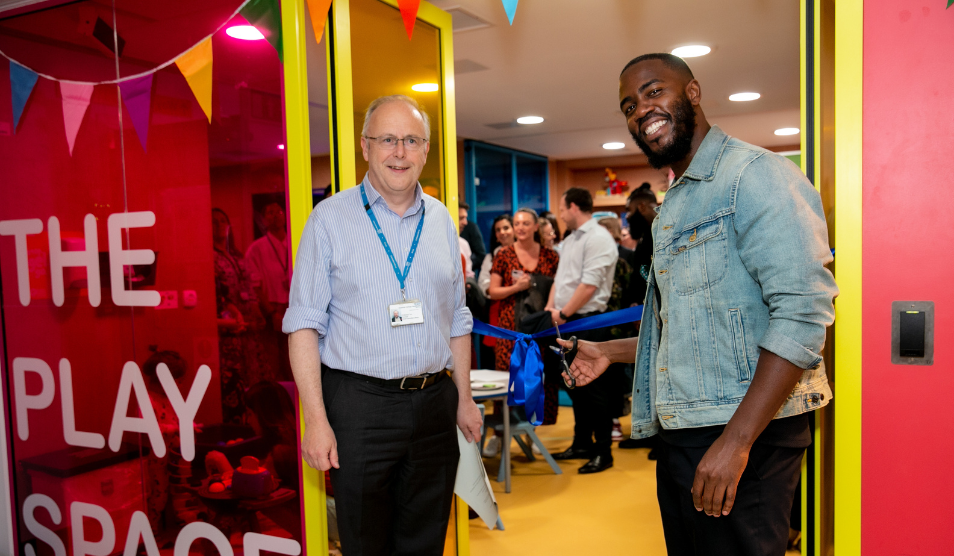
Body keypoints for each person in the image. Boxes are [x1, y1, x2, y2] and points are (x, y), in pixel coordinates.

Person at [563, 53, 837, 555]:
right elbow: (689, 321)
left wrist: (736, 442)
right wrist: (612, 352)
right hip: (687, 428)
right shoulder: (678, 201)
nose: (640, 110)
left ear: (692, 92)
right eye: (628, 105)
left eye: (652, 92)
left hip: (746, 429)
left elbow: (803, 314)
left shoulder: (756, 175)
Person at [283, 94, 482, 556]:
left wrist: (465, 399)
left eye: (411, 140)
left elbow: (456, 318)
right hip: (360, 407)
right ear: (365, 146)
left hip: (435, 402)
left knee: (426, 537)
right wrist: (315, 420)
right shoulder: (328, 220)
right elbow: (303, 326)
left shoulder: (440, 221)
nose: (399, 152)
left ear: (426, 150)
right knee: (366, 540)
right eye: (387, 139)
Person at [545, 187, 619, 474]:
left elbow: (589, 285)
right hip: (566, 321)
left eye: (562, 209)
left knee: (593, 388)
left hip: (588, 321)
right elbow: (561, 280)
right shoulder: (572, 239)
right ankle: (581, 443)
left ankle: (603, 451)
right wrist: (553, 310)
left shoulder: (598, 238)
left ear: (574, 207)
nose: (561, 215)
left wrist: (563, 313)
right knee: (573, 385)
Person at [487, 208, 560, 424]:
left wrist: (549, 308)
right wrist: (515, 287)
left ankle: (532, 431)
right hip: (510, 327)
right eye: (517, 223)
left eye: (526, 223)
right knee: (509, 377)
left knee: (539, 378)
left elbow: (559, 285)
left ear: (536, 226)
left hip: (540, 327)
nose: (520, 228)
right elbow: (493, 291)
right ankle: (502, 432)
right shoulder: (504, 254)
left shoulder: (551, 256)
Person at [212, 208, 267, 424]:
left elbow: (249, 286)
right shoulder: (210, 256)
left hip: (248, 324)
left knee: (255, 376)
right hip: (228, 328)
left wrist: (256, 311)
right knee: (234, 380)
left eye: (222, 221)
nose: (218, 226)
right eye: (213, 222)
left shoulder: (235, 254)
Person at [245, 201, 293, 382]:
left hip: (293, 306)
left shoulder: (296, 241)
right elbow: (254, 285)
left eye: (279, 212)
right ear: (263, 220)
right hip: (270, 309)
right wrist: (271, 312)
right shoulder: (256, 249)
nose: (275, 216)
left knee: (293, 359)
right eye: (270, 213)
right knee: (272, 360)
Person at [458, 201, 486, 273]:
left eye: (465, 218)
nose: (465, 222)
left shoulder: (471, 228)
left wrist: (465, 269)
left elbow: (481, 255)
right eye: (461, 218)